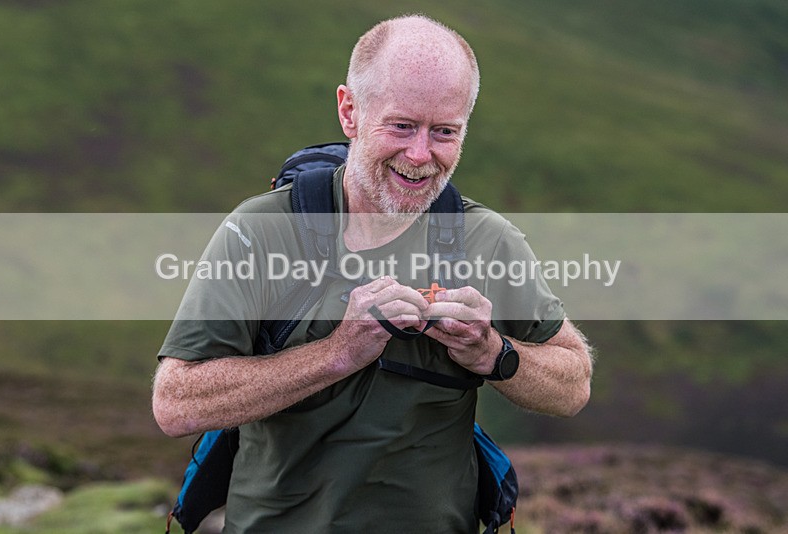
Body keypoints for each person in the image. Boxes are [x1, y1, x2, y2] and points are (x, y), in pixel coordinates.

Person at [153, 14, 592, 533]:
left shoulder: (487, 240)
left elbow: (573, 385)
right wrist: (336, 354)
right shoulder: (262, 231)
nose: (421, 155)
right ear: (350, 111)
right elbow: (176, 402)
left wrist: (490, 352)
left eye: (444, 132)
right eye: (402, 126)